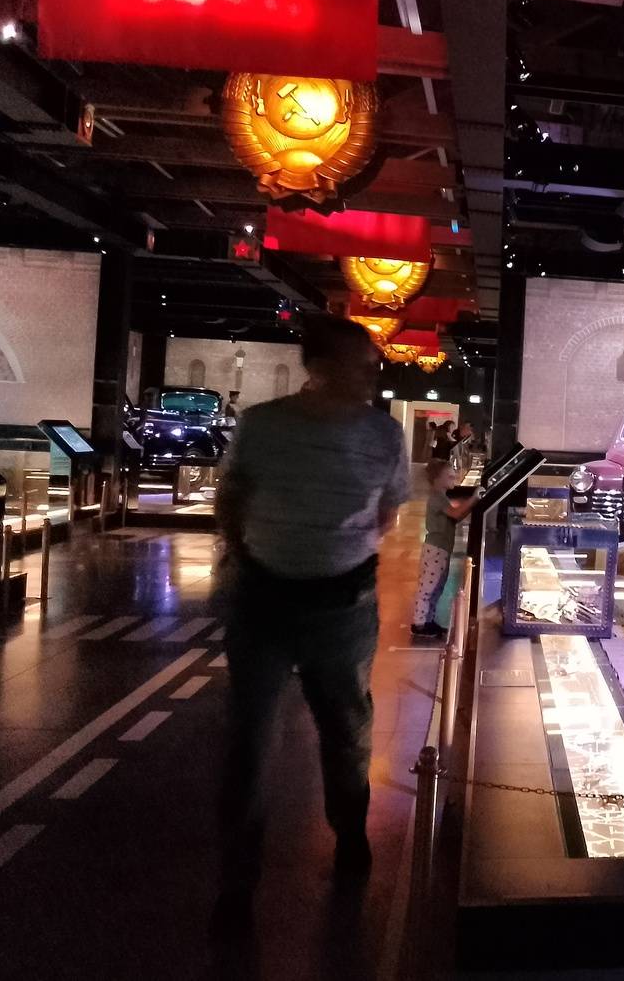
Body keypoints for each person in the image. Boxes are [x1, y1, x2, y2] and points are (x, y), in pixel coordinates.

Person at [211, 315, 410, 934]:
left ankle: (349, 832)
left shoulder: (383, 433)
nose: (373, 373)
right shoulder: (263, 425)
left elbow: (386, 509)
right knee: (251, 741)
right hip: (265, 600)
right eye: (362, 364)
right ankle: (237, 881)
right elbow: (231, 499)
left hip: (339, 604)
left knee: (345, 730)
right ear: (319, 367)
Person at [409, 458, 475, 640]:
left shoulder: (441, 497)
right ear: (437, 479)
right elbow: (456, 513)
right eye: (449, 476)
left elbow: (456, 517)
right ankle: (419, 624)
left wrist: (471, 504)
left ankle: (428, 620)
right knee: (428, 587)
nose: (454, 477)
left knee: (437, 586)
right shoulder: (437, 497)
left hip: (442, 548)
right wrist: (474, 498)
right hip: (436, 549)